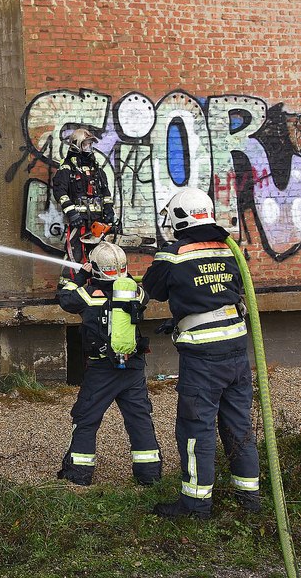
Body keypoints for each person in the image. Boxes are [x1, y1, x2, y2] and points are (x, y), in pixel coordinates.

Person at [143, 187, 259, 519]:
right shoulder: (229, 249)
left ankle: (195, 505)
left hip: (203, 358)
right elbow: (222, 292)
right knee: (239, 427)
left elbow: (154, 289)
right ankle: (249, 500)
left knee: (197, 428)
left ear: (180, 217)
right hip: (237, 349)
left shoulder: (173, 254)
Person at [56, 242, 162, 487]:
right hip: (133, 367)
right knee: (139, 420)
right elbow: (145, 296)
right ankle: (150, 476)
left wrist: (82, 275)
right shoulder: (136, 292)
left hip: (102, 369)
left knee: (87, 419)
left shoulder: (86, 294)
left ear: (97, 269)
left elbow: (64, 297)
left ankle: (78, 475)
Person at [52, 128, 115, 287]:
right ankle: (68, 285)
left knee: (97, 252)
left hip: (96, 221)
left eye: (90, 144)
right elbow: (60, 191)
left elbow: (105, 192)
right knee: (75, 253)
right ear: (77, 145)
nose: (89, 147)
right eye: (86, 144)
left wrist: (108, 210)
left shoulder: (96, 168)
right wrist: (71, 213)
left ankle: (96, 283)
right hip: (77, 221)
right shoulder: (67, 168)